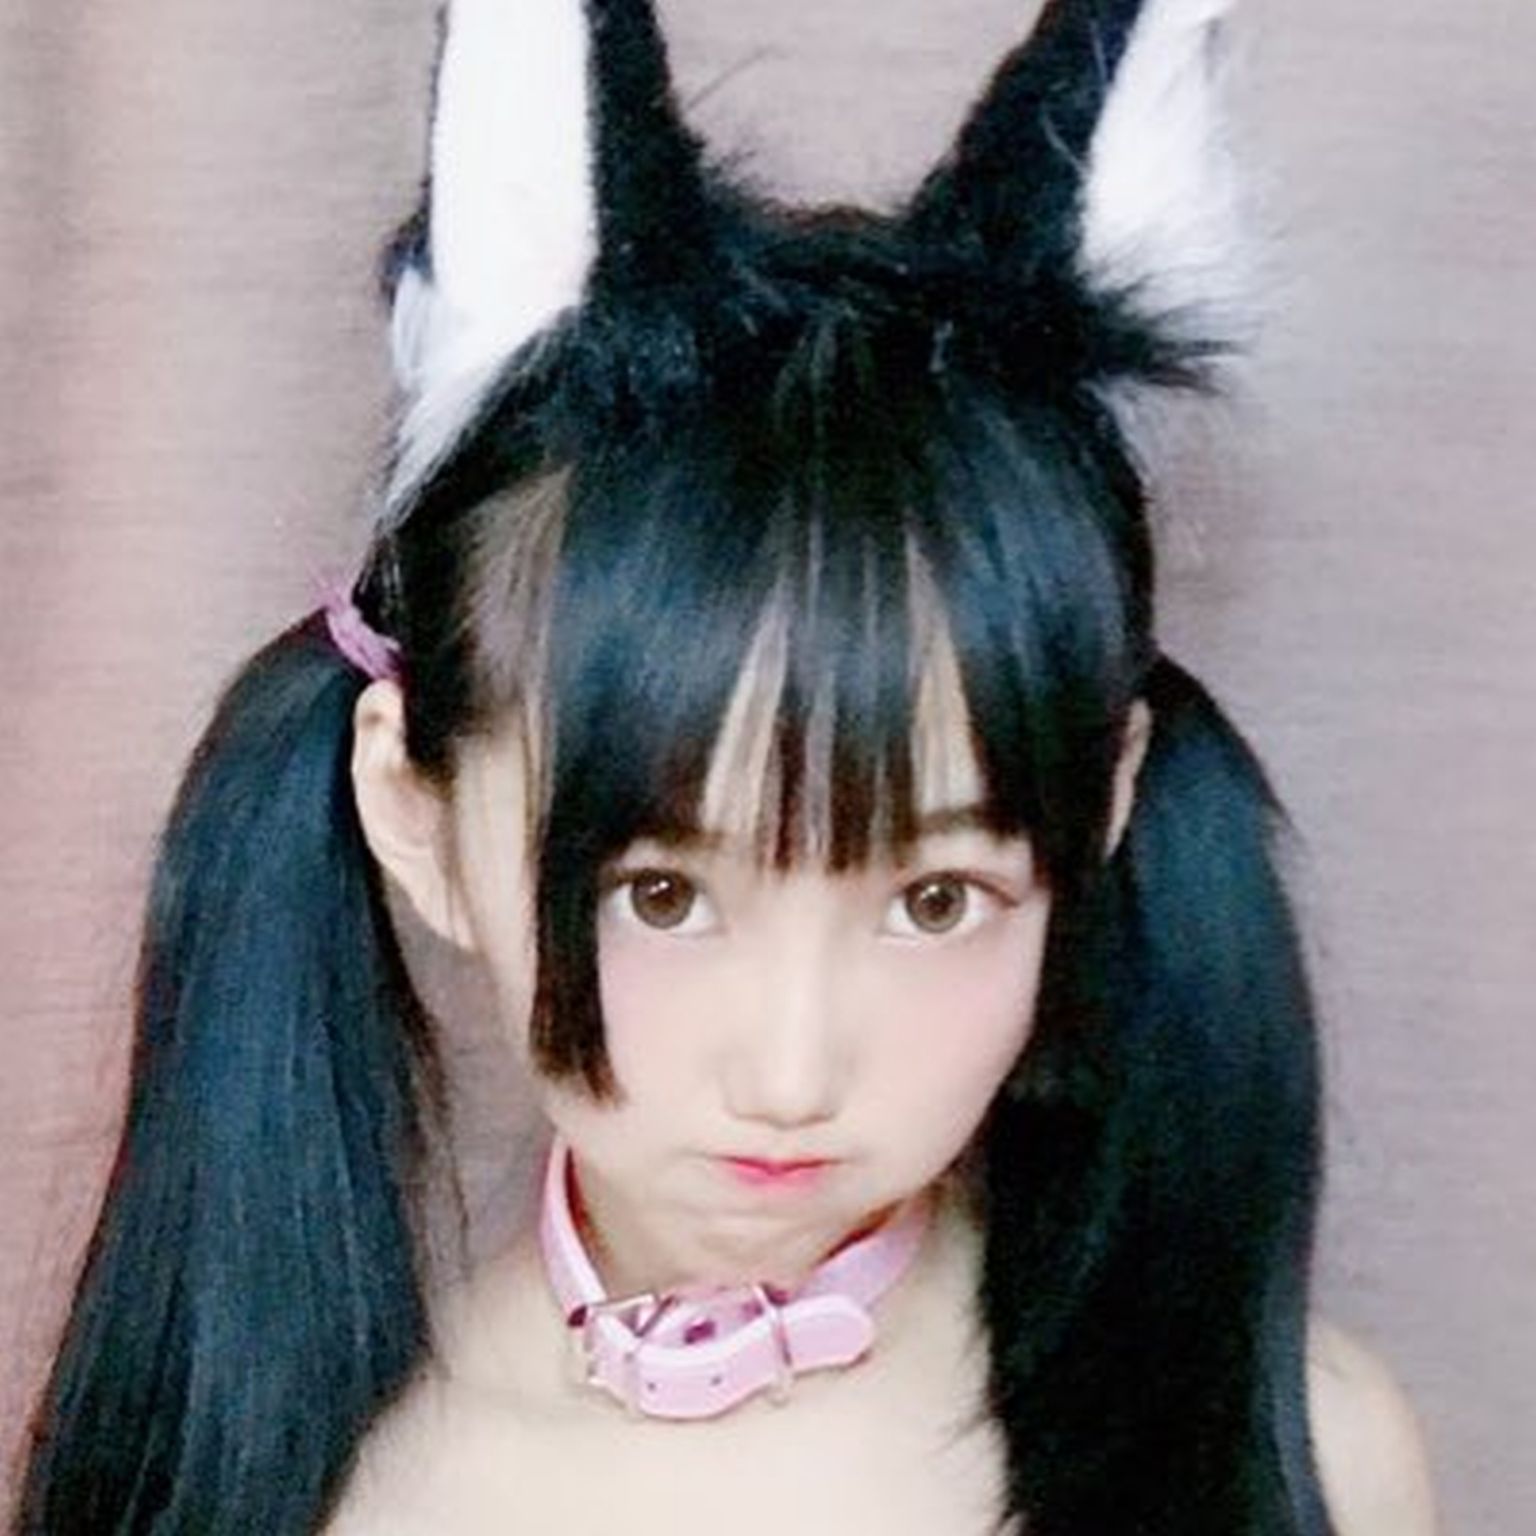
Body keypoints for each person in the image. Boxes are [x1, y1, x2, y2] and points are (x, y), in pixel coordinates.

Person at [11, 0, 1437, 1532]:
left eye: (937, 900)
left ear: (1102, 809)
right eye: (664, 894)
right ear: (416, 818)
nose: (792, 1072)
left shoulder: (1299, 1459)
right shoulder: (314, 1494)